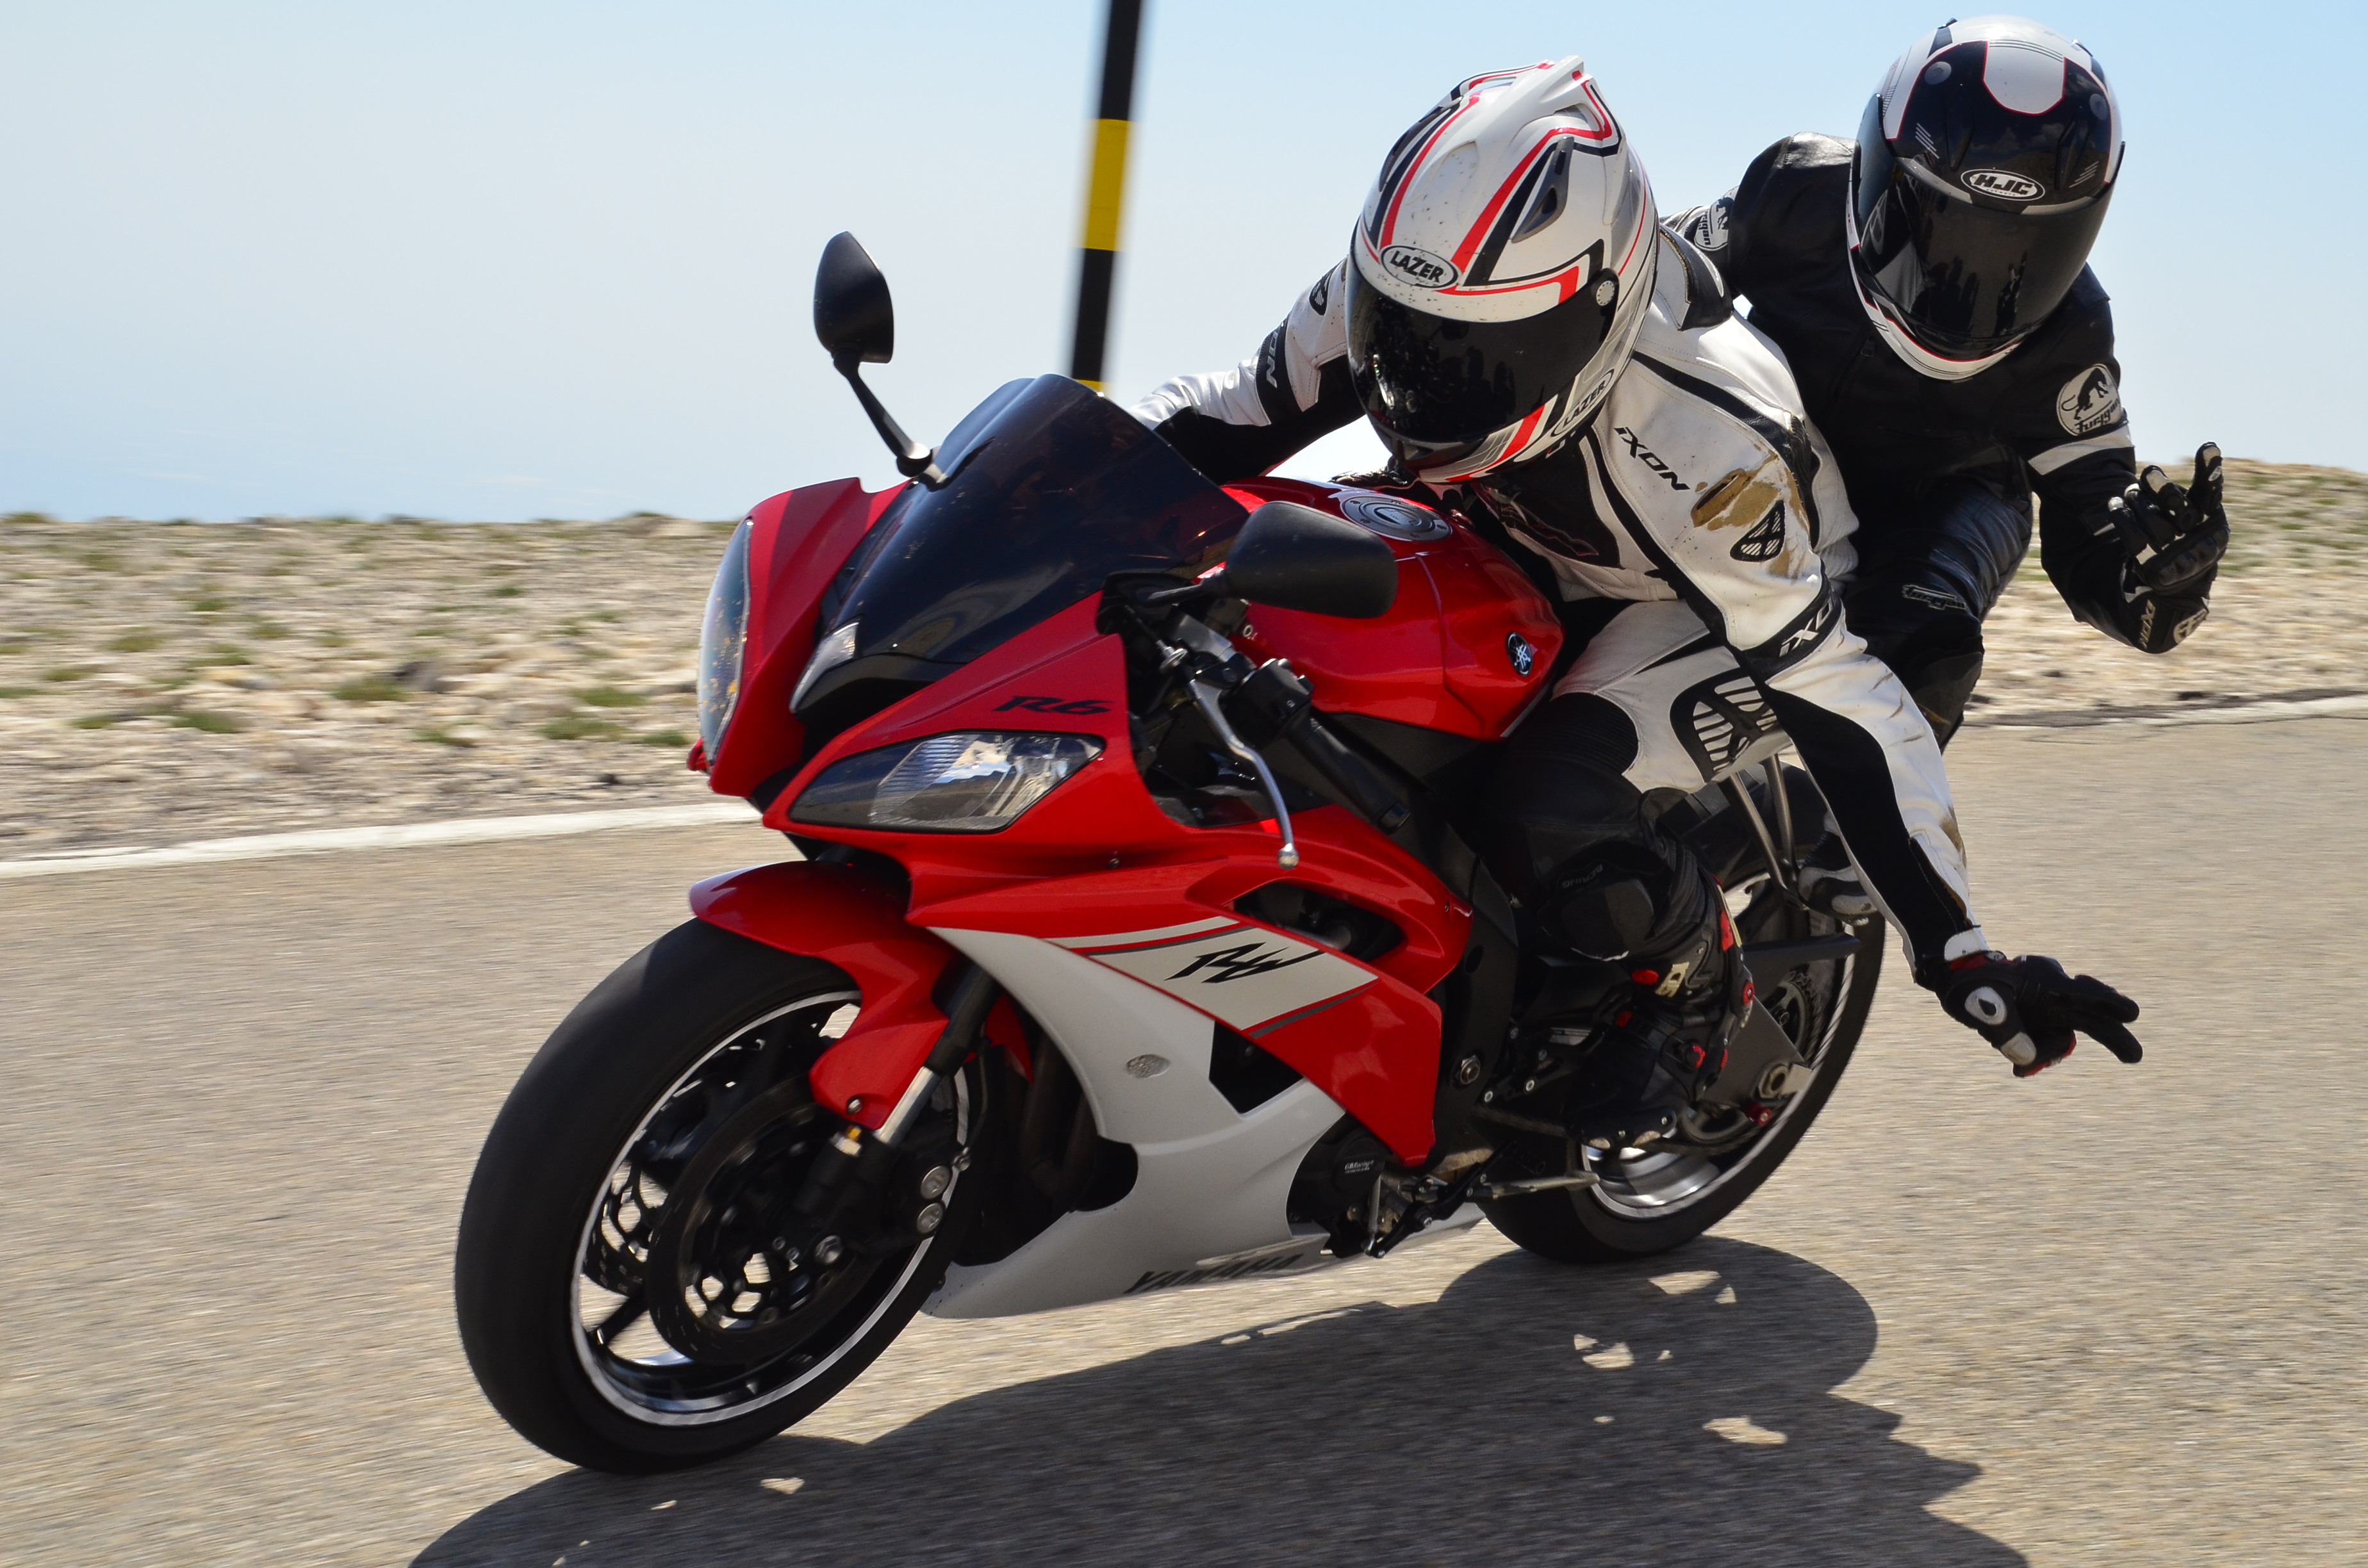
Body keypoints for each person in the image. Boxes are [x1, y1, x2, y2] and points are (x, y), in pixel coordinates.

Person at [1130, 58, 2142, 1147]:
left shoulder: (1707, 450)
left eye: (1479, 356)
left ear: (1592, 316)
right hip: (1522, 529)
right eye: (1402, 328)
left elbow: (1843, 696)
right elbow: (1219, 416)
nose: (1421, 378)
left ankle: (1697, 992)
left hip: (1702, 595)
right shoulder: (1414, 287)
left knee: (1550, 804)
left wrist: (1959, 951)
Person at [1670, 15, 2228, 763]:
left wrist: (2167, 586)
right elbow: (1648, 274)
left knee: (1922, 646)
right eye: (1943, 232)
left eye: (2024, 252)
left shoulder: (2072, 340)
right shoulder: (1794, 188)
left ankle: (1856, 861)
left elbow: (2100, 548)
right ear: (1877, 166)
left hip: (1948, 502)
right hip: (1775, 455)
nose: (1972, 282)